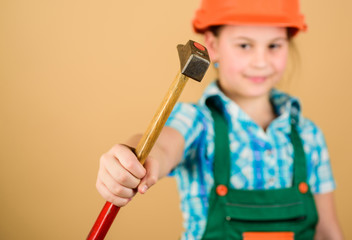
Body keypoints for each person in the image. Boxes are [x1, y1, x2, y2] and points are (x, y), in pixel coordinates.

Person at [95, 0, 344, 239]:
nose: (261, 61)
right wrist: (129, 159)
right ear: (212, 46)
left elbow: (327, 232)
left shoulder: (308, 134)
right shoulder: (197, 122)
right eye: (244, 45)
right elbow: (161, 147)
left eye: (274, 45)